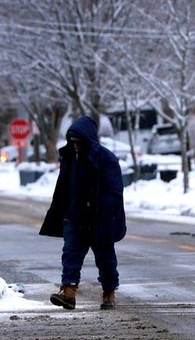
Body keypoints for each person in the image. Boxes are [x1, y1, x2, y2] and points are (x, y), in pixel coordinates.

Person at [40, 116, 127, 310]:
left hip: (99, 218)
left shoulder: (106, 159)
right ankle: (68, 292)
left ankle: (109, 291)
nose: (75, 145)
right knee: (70, 254)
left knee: (105, 259)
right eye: (73, 141)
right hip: (75, 217)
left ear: (88, 139)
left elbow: (114, 191)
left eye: (79, 141)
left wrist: (108, 214)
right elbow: (63, 187)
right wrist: (62, 212)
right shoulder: (70, 158)